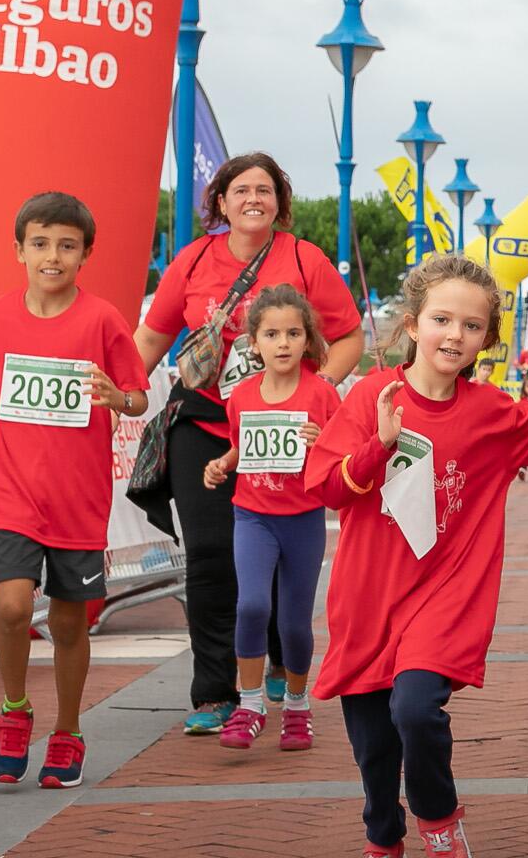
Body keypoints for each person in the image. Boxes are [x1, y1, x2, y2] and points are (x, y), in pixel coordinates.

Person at [306, 256, 528, 858]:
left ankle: (440, 821)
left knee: (415, 709)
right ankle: (383, 835)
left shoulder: (492, 411)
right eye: (442, 319)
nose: (455, 335)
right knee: (374, 748)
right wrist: (378, 446)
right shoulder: (370, 395)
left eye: (472, 326)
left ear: (486, 340)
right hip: (368, 599)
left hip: (445, 597)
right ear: (413, 325)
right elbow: (326, 485)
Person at [135, 153, 361, 735]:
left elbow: (349, 335)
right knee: (212, 556)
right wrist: (117, 391)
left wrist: (319, 388)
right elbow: (153, 337)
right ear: (221, 201)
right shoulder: (193, 260)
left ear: (279, 201)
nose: (252, 199)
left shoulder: (304, 260)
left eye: (265, 189)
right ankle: (217, 693)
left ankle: (280, 672)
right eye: (241, 190)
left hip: (282, 431)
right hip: (206, 424)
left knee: (282, 565)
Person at [0, 192, 150, 790]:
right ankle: (14, 712)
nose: (52, 256)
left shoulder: (103, 320)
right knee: (11, 605)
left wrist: (119, 400)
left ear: (85, 254)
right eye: (40, 244)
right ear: (19, 250)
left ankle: (67, 730)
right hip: (11, 489)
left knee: (68, 623)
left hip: (78, 499)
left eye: (66, 245)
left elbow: (136, 394)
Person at [199, 287, 338, 753]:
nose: (283, 343)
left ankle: (296, 707)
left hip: (302, 519)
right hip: (253, 516)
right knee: (253, 606)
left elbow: (343, 455)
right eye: (272, 334)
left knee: (295, 624)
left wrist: (323, 444)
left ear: (307, 340)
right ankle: (251, 703)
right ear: (253, 342)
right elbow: (243, 446)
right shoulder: (240, 396)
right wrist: (224, 463)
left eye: (293, 333)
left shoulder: (321, 393)